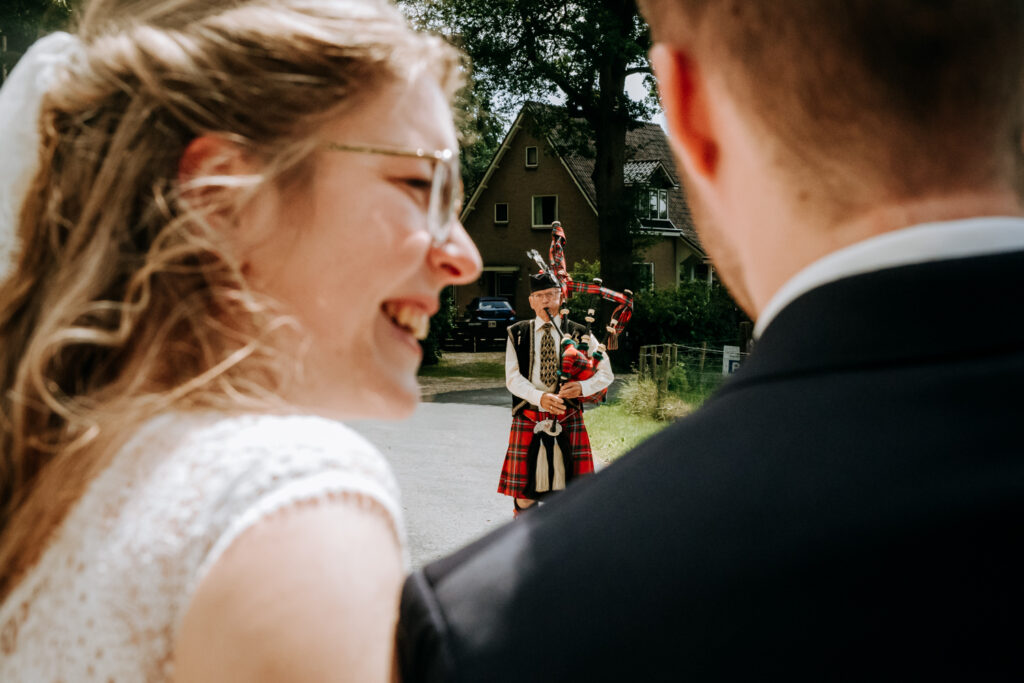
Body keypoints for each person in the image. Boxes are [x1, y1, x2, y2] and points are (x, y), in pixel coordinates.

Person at [396, 1, 1024, 680]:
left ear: (689, 113)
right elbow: (522, 376)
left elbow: (598, 366)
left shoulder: (491, 629)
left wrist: (581, 382)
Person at [0, 0, 481, 680]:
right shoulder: (291, 500)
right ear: (223, 198)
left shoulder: (54, 481)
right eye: (416, 183)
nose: (465, 256)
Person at [500, 272, 613, 517]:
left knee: (572, 497)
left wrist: (582, 388)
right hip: (529, 417)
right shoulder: (517, 333)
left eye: (550, 295)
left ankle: (565, 548)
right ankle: (527, 548)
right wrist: (539, 397)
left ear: (560, 298)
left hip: (568, 417)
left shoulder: (581, 332)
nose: (545, 302)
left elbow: (606, 374)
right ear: (531, 301)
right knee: (525, 496)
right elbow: (512, 377)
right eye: (538, 296)